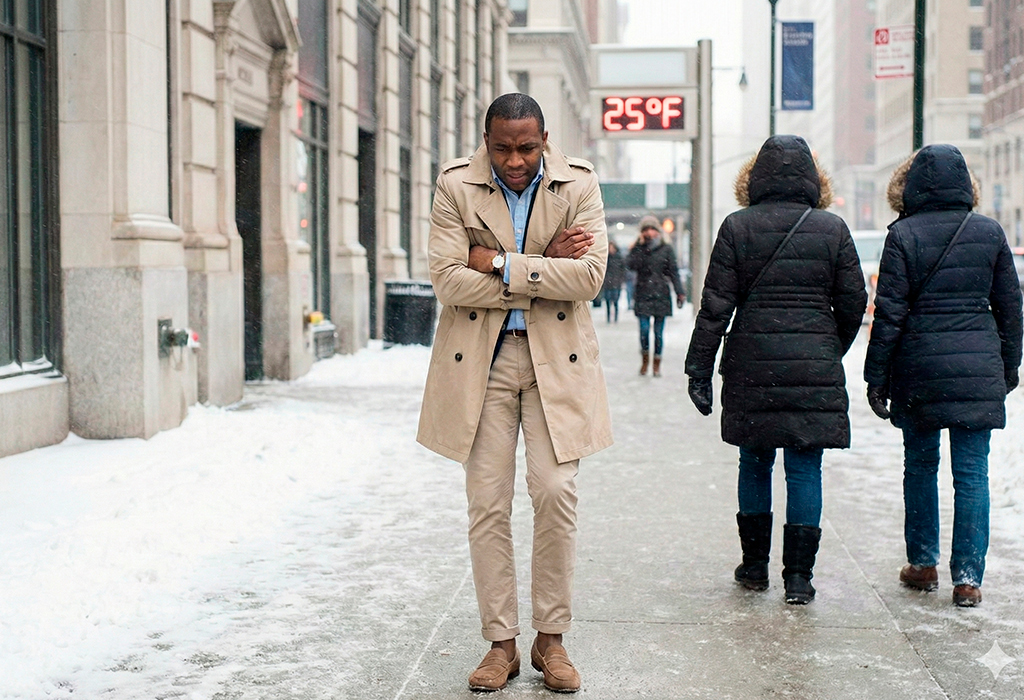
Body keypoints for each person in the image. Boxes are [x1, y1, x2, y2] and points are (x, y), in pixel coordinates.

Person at [417, 93, 612, 693]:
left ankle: (550, 641)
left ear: (545, 140)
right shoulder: (455, 185)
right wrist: (537, 265)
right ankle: (500, 644)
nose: (515, 160)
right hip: (483, 361)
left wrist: (497, 263)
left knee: (555, 492)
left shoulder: (578, 185)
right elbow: (448, 281)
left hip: (557, 361)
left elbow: (589, 278)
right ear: (486, 140)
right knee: (487, 501)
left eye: (526, 147)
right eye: (502, 147)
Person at [684, 135, 867, 604]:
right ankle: (799, 578)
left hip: (752, 363)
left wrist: (699, 369)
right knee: (805, 468)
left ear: (755, 178)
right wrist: (829, 347)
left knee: (755, 460)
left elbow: (715, 307)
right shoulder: (833, 229)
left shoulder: (737, 227)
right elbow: (853, 303)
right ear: (814, 178)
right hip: (814, 364)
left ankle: (754, 567)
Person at [864, 144, 1023, 608]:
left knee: (921, 465)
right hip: (977, 366)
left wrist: (877, 376)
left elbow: (889, 313)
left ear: (910, 187)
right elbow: (1010, 309)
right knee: (972, 474)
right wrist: (1008, 365)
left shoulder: (903, 236)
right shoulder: (989, 233)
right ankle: (969, 577)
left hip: (921, 368)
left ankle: (923, 562)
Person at [626, 215, 686, 376]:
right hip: (643, 292)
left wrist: (680, 292)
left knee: (658, 334)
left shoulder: (666, 249)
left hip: (661, 293)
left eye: (652, 229)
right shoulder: (638, 248)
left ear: (658, 231)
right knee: (644, 330)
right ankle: (645, 360)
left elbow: (673, 271)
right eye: (646, 229)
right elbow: (631, 265)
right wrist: (639, 246)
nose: (649, 232)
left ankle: (657, 363)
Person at [602, 240, 626, 322]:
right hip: (607, 282)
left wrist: (621, 279)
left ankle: (615, 317)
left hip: (616, 282)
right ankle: (608, 317)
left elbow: (623, 270)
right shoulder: (605, 258)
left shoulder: (619, 258)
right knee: (607, 301)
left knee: (615, 301)